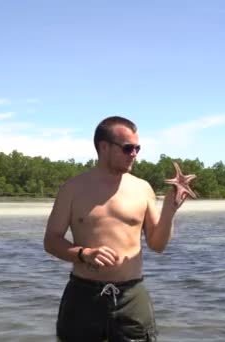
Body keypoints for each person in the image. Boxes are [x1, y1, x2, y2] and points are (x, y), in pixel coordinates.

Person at [43, 116, 188, 342]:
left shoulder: (142, 189)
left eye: (137, 148)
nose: (134, 154)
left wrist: (170, 210)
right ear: (104, 147)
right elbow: (51, 241)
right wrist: (84, 254)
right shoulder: (72, 189)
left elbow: (157, 245)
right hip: (83, 296)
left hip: (131, 296)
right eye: (128, 148)